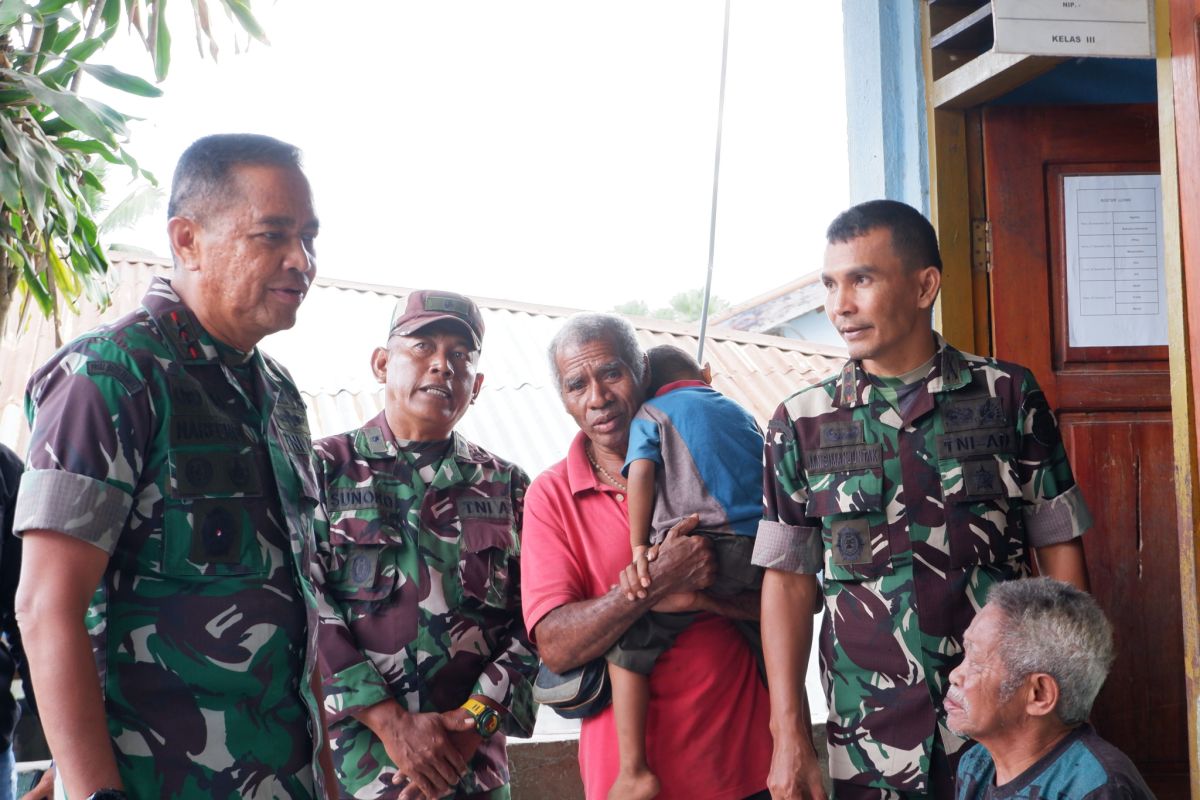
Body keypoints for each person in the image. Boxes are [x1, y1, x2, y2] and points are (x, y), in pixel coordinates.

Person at [13, 134, 330, 800]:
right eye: (271, 235)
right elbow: (46, 606)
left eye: (308, 238)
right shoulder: (110, 376)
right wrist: (95, 791)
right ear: (186, 239)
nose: (300, 261)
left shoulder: (280, 397)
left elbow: (299, 610)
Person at [754, 200, 1093, 800]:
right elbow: (786, 583)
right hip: (871, 736)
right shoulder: (801, 422)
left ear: (923, 285)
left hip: (1009, 729)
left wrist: (1069, 700)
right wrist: (788, 735)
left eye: (862, 279)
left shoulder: (1008, 395)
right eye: (831, 284)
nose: (840, 305)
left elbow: (1059, 549)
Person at [521, 313, 773, 800]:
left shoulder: (716, 461)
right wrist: (654, 582)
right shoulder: (550, 495)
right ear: (564, 401)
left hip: (747, 768)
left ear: (643, 374)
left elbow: (794, 602)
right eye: (577, 385)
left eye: (612, 373)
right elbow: (556, 646)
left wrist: (703, 599)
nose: (598, 397)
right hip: (627, 784)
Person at [312, 290, 537, 800]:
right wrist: (390, 723)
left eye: (460, 355)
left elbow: (538, 620)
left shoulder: (508, 486)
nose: (442, 366)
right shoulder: (320, 469)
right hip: (353, 770)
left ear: (475, 386)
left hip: (472, 770)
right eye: (423, 346)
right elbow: (303, 601)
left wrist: (471, 726)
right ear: (381, 362)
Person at [608, 344, 765, 800]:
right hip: (761, 552)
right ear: (707, 373)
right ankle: (783, 728)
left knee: (630, 633)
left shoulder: (650, 414)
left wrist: (639, 546)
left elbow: (640, 474)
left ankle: (634, 770)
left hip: (706, 546)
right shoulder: (741, 412)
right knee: (768, 640)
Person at [948, 578, 1153, 800]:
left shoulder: (1096, 788)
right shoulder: (976, 764)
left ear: (1039, 694)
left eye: (977, 661)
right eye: (965, 653)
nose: (955, 675)